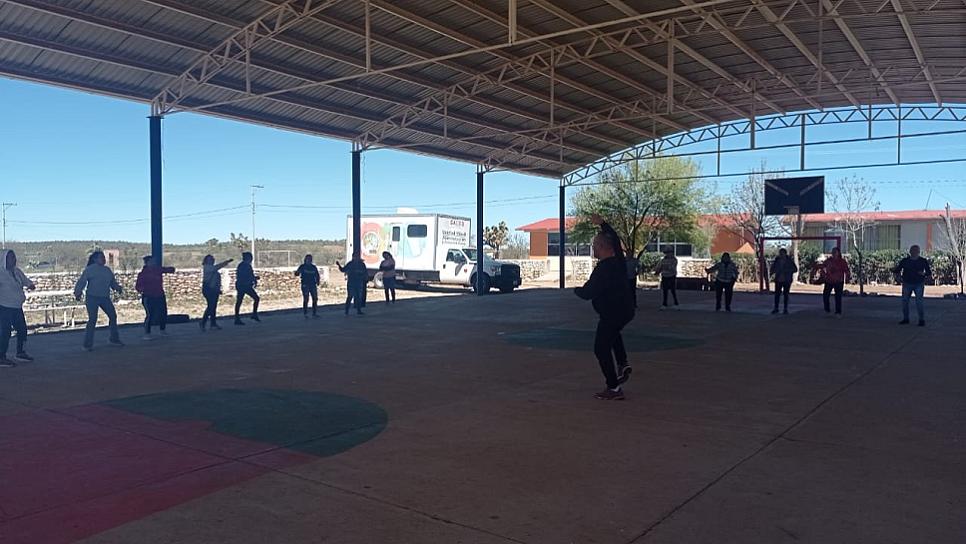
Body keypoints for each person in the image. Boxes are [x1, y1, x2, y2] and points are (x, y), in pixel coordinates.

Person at [575, 216, 634, 400]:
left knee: (601, 348)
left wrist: (576, 290)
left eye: (594, 245)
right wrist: (602, 223)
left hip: (612, 313)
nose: (593, 248)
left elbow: (588, 292)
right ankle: (622, 363)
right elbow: (615, 238)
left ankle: (614, 388)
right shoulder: (619, 262)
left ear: (601, 247)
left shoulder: (603, 270)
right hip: (626, 311)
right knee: (613, 333)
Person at [74, 251, 124, 351]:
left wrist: (118, 288)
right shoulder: (89, 270)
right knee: (92, 319)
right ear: (95, 259)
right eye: (101, 257)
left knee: (113, 316)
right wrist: (78, 292)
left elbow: (112, 283)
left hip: (105, 297)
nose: (104, 259)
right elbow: (82, 282)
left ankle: (114, 339)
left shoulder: (107, 270)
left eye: (104, 257)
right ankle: (87, 345)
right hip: (92, 297)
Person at [0, 250, 36, 366]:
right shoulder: (1, 273)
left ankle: (21, 352)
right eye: (11, 258)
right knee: (5, 332)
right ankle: (1, 356)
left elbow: (26, 281)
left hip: (17, 307)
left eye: (14, 257)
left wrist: (30, 285)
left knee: (22, 330)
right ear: (4, 259)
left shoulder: (17, 271)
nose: (14, 260)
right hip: (5, 307)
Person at [135, 255, 175, 340]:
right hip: (148, 297)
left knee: (163, 313)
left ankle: (162, 330)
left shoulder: (158, 270)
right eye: (152, 261)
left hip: (160, 295)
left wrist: (171, 269)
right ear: (148, 262)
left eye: (155, 261)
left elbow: (169, 270)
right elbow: (138, 287)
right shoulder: (143, 274)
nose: (154, 262)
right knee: (150, 315)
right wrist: (143, 289)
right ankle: (147, 333)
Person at [893, 245, 931, 326]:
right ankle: (906, 318)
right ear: (910, 252)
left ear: (918, 252)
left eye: (916, 251)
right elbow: (897, 270)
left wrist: (923, 274)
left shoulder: (923, 261)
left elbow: (929, 273)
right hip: (907, 283)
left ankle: (921, 320)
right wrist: (898, 278)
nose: (914, 252)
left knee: (919, 302)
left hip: (918, 283)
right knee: (905, 301)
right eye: (912, 251)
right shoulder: (905, 261)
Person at [813, 247, 850, 317]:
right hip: (829, 280)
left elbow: (846, 270)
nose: (833, 253)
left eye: (835, 252)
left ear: (838, 253)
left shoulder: (842, 261)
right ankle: (827, 310)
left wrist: (847, 278)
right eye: (833, 252)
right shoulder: (829, 260)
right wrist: (819, 268)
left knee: (838, 297)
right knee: (825, 295)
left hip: (838, 281)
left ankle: (838, 312)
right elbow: (823, 266)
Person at [201, 255, 232, 331]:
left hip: (214, 290)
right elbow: (216, 268)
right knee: (211, 306)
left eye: (212, 259)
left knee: (212, 306)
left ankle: (212, 323)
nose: (212, 260)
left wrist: (218, 289)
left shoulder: (211, 268)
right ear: (206, 261)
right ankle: (204, 322)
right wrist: (225, 262)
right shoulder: (207, 267)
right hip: (208, 289)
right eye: (210, 259)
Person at [337, 251, 368, 316]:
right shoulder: (350, 264)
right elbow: (343, 270)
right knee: (350, 296)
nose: (356, 258)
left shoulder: (362, 264)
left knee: (358, 297)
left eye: (357, 256)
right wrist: (339, 265)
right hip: (351, 283)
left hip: (359, 282)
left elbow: (365, 272)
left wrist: (365, 278)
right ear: (353, 257)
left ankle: (359, 310)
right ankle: (346, 311)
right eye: (355, 256)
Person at [234, 252, 260, 325]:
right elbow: (247, 276)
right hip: (244, 285)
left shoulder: (243, 265)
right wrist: (254, 278)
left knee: (239, 301)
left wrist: (254, 279)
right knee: (255, 298)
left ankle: (237, 317)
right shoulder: (245, 266)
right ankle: (252, 315)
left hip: (243, 285)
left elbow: (249, 275)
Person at [770, 248, 798, 315]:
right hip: (778, 279)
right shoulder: (777, 260)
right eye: (780, 253)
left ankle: (785, 309)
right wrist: (774, 271)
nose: (781, 255)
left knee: (786, 295)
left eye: (782, 253)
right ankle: (776, 308)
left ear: (785, 254)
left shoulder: (789, 260)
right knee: (777, 295)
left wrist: (787, 271)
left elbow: (795, 269)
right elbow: (773, 268)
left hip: (787, 280)